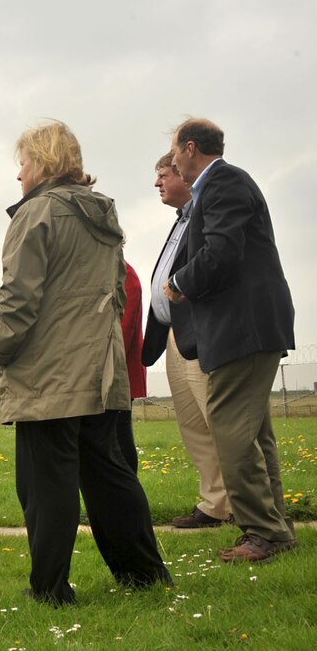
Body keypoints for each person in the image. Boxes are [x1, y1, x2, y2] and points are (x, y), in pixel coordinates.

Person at [0, 120, 172, 605]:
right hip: (101, 371)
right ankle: (145, 577)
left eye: (22, 163)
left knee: (46, 486)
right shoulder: (103, 216)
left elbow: (19, 301)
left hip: (49, 376)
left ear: (42, 162)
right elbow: (115, 293)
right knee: (110, 477)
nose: (18, 175)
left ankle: (49, 589)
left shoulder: (36, 214)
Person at [163, 118, 296, 563]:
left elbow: (220, 253)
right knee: (254, 433)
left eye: (175, 152)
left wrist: (179, 281)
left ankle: (263, 532)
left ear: (190, 147)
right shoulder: (221, 185)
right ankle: (274, 526)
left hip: (244, 327)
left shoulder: (222, 183)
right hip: (249, 325)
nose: (173, 160)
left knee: (231, 429)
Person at [142, 152, 232, 528]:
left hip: (201, 332)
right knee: (193, 425)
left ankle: (244, 505)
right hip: (175, 335)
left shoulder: (205, 214)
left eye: (163, 174)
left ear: (182, 173)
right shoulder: (181, 220)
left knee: (219, 421)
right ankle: (215, 504)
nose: (157, 183)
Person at [116, 262, 146, 473]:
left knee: (120, 437)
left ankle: (127, 491)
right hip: (107, 370)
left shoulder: (126, 275)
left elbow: (123, 331)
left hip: (119, 373)